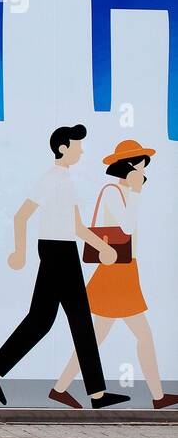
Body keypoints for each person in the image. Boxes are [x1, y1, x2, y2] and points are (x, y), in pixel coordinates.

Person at [0, 124, 129, 409]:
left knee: (41, 320)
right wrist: (19, 254)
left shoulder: (64, 180)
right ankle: (97, 393)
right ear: (63, 148)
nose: (81, 150)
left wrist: (103, 247)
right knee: (79, 319)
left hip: (61, 248)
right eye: (77, 144)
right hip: (57, 251)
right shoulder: (51, 180)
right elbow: (21, 216)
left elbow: (76, 225)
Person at [50, 140, 177, 409]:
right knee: (141, 334)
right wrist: (138, 193)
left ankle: (60, 388)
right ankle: (157, 396)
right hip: (115, 273)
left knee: (96, 336)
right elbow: (127, 228)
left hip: (125, 270)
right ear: (128, 168)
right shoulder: (113, 193)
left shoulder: (124, 193)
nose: (143, 174)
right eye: (140, 168)